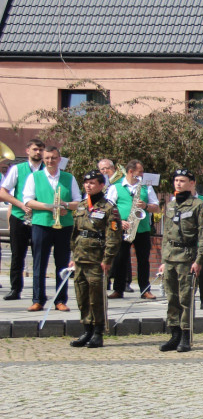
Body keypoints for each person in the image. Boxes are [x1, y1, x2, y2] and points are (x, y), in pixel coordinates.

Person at [157, 169, 203, 353]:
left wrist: (199, 260)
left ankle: (186, 336)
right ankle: (174, 334)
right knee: (171, 297)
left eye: (183, 180)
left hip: (187, 257)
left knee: (185, 298)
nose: (178, 183)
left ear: (192, 183)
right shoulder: (171, 206)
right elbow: (166, 235)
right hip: (171, 256)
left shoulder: (198, 206)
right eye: (176, 180)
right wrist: (164, 259)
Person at [23, 145, 82, 312]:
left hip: (64, 225)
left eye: (53, 158)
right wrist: (49, 206)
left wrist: (66, 205)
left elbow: (78, 201)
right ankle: (38, 299)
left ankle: (60, 300)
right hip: (42, 223)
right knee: (39, 263)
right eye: (47, 158)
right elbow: (28, 200)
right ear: (43, 158)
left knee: (62, 264)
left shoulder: (69, 177)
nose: (50, 161)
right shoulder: (34, 177)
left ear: (59, 159)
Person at [67, 170, 122, 348]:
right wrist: (73, 257)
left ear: (101, 185)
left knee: (96, 297)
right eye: (86, 183)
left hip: (97, 259)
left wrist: (107, 259)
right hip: (81, 258)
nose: (88, 186)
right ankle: (86, 329)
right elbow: (75, 233)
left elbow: (113, 237)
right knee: (82, 296)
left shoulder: (109, 208)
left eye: (92, 183)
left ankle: (98, 331)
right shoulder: (82, 205)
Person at [106, 160, 159, 300]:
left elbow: (157, 207)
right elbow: (108, 208)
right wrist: (119, 221)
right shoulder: (116, 187)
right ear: (130, 171)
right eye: (140, 172)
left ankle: (145, 290)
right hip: (124, 228)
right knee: (120, 259)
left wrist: (146, 206)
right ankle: (118, 289)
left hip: (142, 229)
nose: (142, 174)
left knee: (143, 260)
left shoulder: (146, 187)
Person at [0, 138, 45, 301]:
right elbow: (3, 192)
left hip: (41, 218)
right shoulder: (17, 169)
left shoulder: (48, 170)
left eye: (40, 149)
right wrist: (21, 204)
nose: (38, 152)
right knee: (17, 255)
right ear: (27, 151)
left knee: (40, 255)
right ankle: (15, 289)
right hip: (20, 216)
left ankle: (39, 291)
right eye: (35, 149)